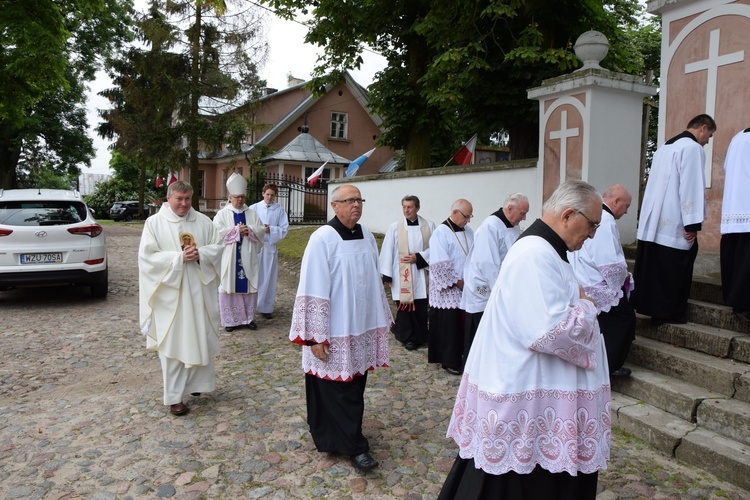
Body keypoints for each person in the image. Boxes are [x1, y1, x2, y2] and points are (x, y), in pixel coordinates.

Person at [438, 180, 609, 500]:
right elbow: (550, 331)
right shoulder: (535, 254)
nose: (592, 234)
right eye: (592, 225)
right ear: (569, 215)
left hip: (536, 398)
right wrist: (587, 306)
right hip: (524, 400)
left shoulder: (547, 251)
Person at [289, 184, 393, 472]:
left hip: (359, 328)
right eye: (349, 200)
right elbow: (312, 286)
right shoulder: (322, 238)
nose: (356, 205)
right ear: (334, 206)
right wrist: (314, 337)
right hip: (332, 330)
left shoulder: (368, 236)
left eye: (359, 200)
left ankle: (335, 438)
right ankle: (355, 447)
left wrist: (379, 320)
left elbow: (372, 281)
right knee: (339, 390)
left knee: (355, 386)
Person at [138, 181, 225, 416]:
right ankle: (174, 397)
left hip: (198, 294)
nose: (184, 204)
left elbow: (218, 248)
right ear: (169, 198)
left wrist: (201, 255)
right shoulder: (154, 223)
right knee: (173, 344)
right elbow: (148, 258)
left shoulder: (204, 222)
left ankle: (197, 385)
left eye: (187, 199)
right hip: (171, 298)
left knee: (199, 338)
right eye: (179, 199)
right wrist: (178, 258)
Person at [631, 114, 716, 325]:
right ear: (703, 128)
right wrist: (692, 224)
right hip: (674, 222)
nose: (707, 141)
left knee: (655, 268)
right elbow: (691, 186)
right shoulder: (692, 149)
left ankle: (652, 308)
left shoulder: (664, 147)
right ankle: (669, 312)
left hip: (653, 221)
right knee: (674, 268)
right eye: (710, 136)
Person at [570, 184, 635, 378]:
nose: (627, 211)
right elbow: (607, 259)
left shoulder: (597, 216)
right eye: (627, 206)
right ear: (616, 202)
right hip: (596, 282)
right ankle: (610, 366)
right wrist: (621, 280)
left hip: (583, 277)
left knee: (606, 322)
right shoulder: (605, 220)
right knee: (624, 318)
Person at [460, 192, 528, 367]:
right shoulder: (490, 226)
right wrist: (502, 288)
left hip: (501, 283)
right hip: (482, 285)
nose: (524, 218)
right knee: (481, 322)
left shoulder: (512, 225)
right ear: (510, 208)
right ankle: (474, 366)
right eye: (522, 213)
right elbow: (487, 262)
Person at [379, 195, 436, 350]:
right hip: (401, 273)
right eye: (404, 207)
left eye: (409, 207)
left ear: (417, 208)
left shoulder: (429, 226)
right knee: (405, 307)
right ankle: (407, 337)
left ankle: (422, 335)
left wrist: (419, 257)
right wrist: (387, 274)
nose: (406, 210)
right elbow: (387, 250)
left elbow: (436, 248)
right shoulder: (394, 227)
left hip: (420, 272)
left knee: (420, 306)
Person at [213, 173, 265, 332]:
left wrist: (249, 230)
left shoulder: (252, 213)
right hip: (230, 256)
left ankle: (248, 318)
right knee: (229, 286)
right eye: (236, 197)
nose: (240, 200)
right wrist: (235, 230)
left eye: (242, 196)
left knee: (249, 286)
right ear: (230, 197)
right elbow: (216, 233)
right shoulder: (222, 214)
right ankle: (230, 321)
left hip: (247, 255)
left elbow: (261, 230)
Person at [428, 199, 474, 375]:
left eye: (470, 216)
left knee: (462, 325)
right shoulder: (441, 232)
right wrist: (457, 282)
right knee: (450, 325)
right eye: (466, 216)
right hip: (450, 289)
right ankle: (449, 360)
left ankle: (463, 356)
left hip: (466, 285)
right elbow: (440, 262)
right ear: (454, 212)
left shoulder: (469, 232)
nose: (468, 220)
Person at [721, 127, 750, 322]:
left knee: (735, 257)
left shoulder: (737, 138)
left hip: (733, 207)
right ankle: (745, 305)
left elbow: (726, 167)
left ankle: (735, 301)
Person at [249, 183, 290, 320]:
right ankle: (251, 305)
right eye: (267, 194)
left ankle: (266, 307)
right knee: (255, 275)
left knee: (268, 277)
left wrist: (271, 229)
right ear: (263, 193)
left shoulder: (279, 210)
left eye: (272, 195)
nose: (270, 197)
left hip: (269, 247)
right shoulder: (254, 208)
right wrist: (258, 229)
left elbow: (284, 229)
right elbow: (247, 224)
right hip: (255, 246)